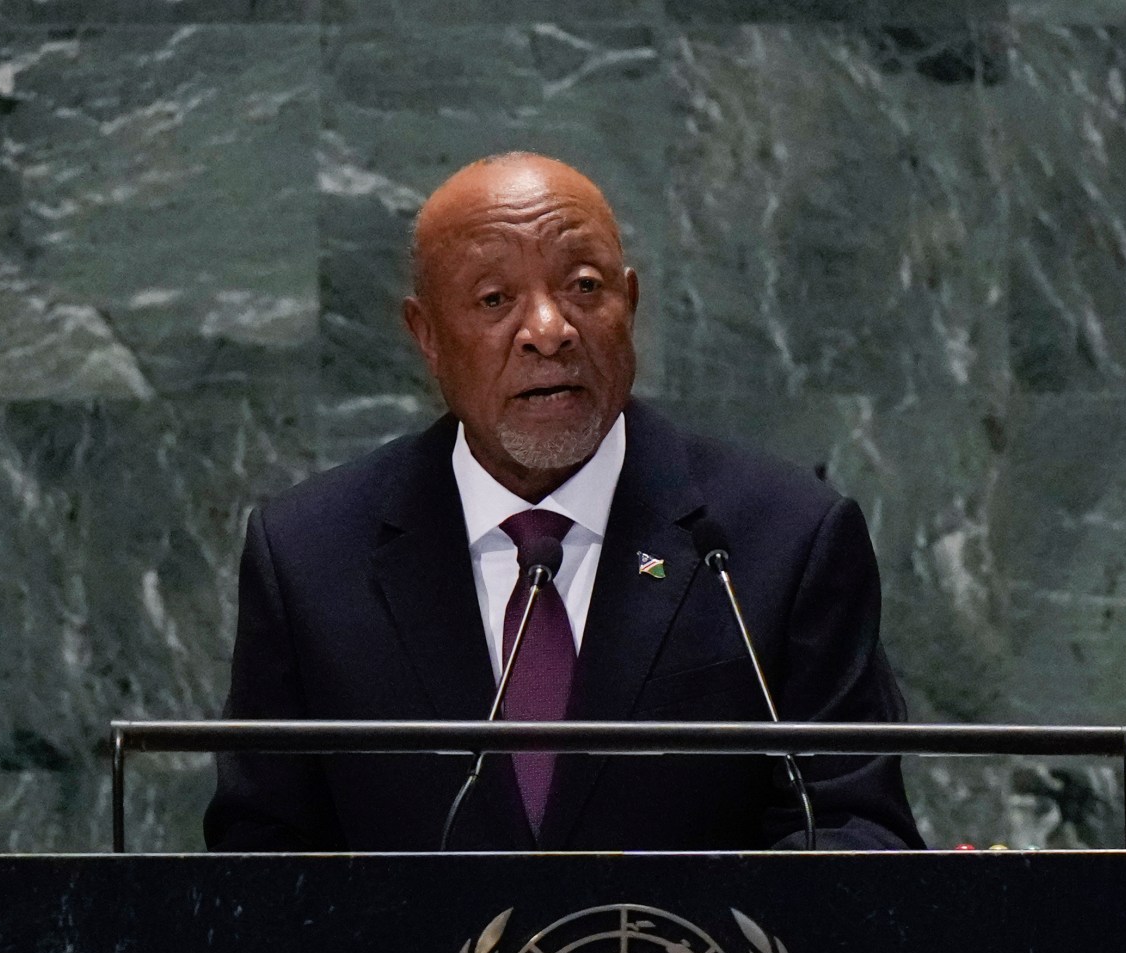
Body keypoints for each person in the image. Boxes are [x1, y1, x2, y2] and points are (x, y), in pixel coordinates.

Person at [203, 152, 922, 852]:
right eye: (494, 300)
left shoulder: (783, 539)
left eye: (583, 287)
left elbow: (852, 829)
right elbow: (260, 862)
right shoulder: (308, 556)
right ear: (426, 336)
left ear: (630, 305)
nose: (550, 331)